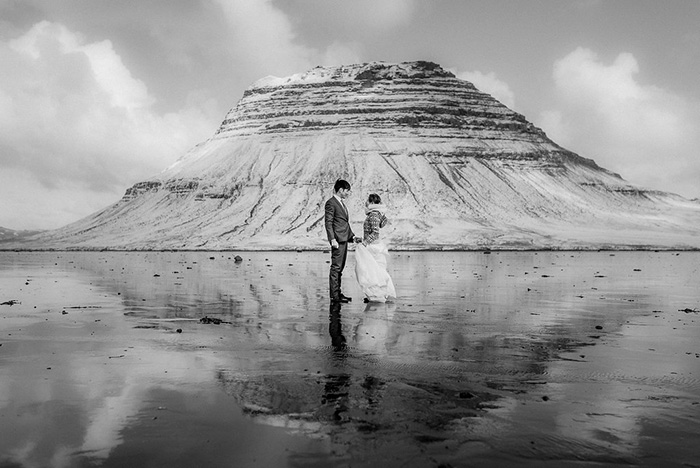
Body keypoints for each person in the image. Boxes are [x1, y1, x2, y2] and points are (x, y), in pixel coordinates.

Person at [354, 193, 396, 303]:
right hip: (374, 245)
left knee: (372, 271)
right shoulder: (377, 214)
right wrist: (362, 240)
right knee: (376, 270)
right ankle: (377, 294)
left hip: (372, 247)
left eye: (368, 201)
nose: (366, 203)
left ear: (372, 202)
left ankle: (377, 295)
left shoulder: (373, 215)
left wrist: (365, 243)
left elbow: (375, 233)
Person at [325, 179, 361, 303]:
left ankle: (338, 293)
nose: (348, 193)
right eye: (347, 191)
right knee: (336, 268)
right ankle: (335, 296)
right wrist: (332, 239)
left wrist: (352, 237)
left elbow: (343, 223)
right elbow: (328, 223)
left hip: (344, 240)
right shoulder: (331, 203)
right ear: (340, 190)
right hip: (338, 241)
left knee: (339, 268)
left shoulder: (341, 203)